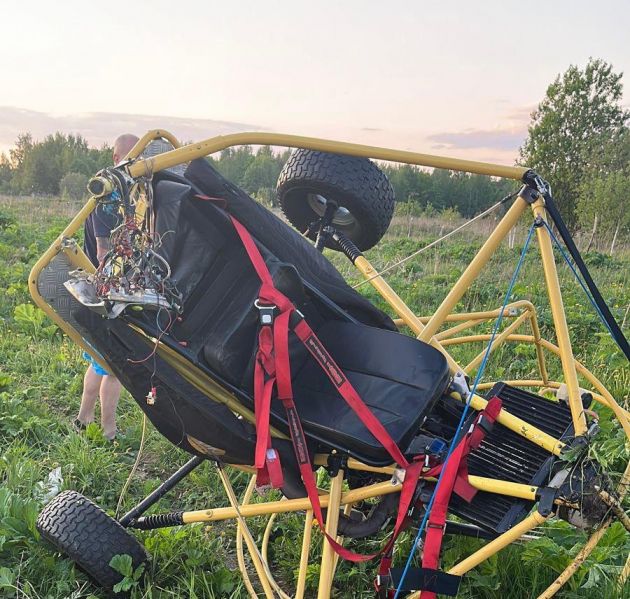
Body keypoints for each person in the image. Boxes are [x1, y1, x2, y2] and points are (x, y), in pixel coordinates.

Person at [74, 134, 139, 440]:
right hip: (106, 288)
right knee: (114, 366)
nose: (134, 164)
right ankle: (109, 431)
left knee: (99, 361)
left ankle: (83, 419)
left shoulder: (123, 191)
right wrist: (126, 281)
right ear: (116, 159)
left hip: (101, 286)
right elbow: (103, 252)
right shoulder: (108, 194)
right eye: (130, 158)